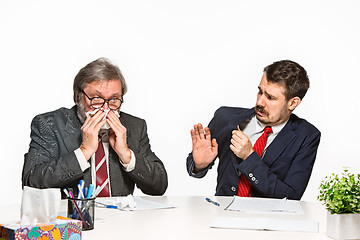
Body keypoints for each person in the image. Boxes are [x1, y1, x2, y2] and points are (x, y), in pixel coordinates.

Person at [23, 57, 168, 198]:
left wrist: (126, 155)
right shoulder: (50, 125)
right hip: (73, 220)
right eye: (96, 98)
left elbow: (159, 186)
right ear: (77, 97)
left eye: (113, 100)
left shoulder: (134, 126)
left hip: (121, 219)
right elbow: (31, 181)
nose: (105, 108)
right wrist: (84, 152)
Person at [186, 60, 320, 200]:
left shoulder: (306, 136)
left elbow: (291, 197)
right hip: (223, 215)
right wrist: (200, 165)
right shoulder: (225, 118)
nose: (260, 102)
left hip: (270, 219)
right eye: (260, 92)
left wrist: (249, 157)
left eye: (270, 97)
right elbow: (194, 166)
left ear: (292, 103)